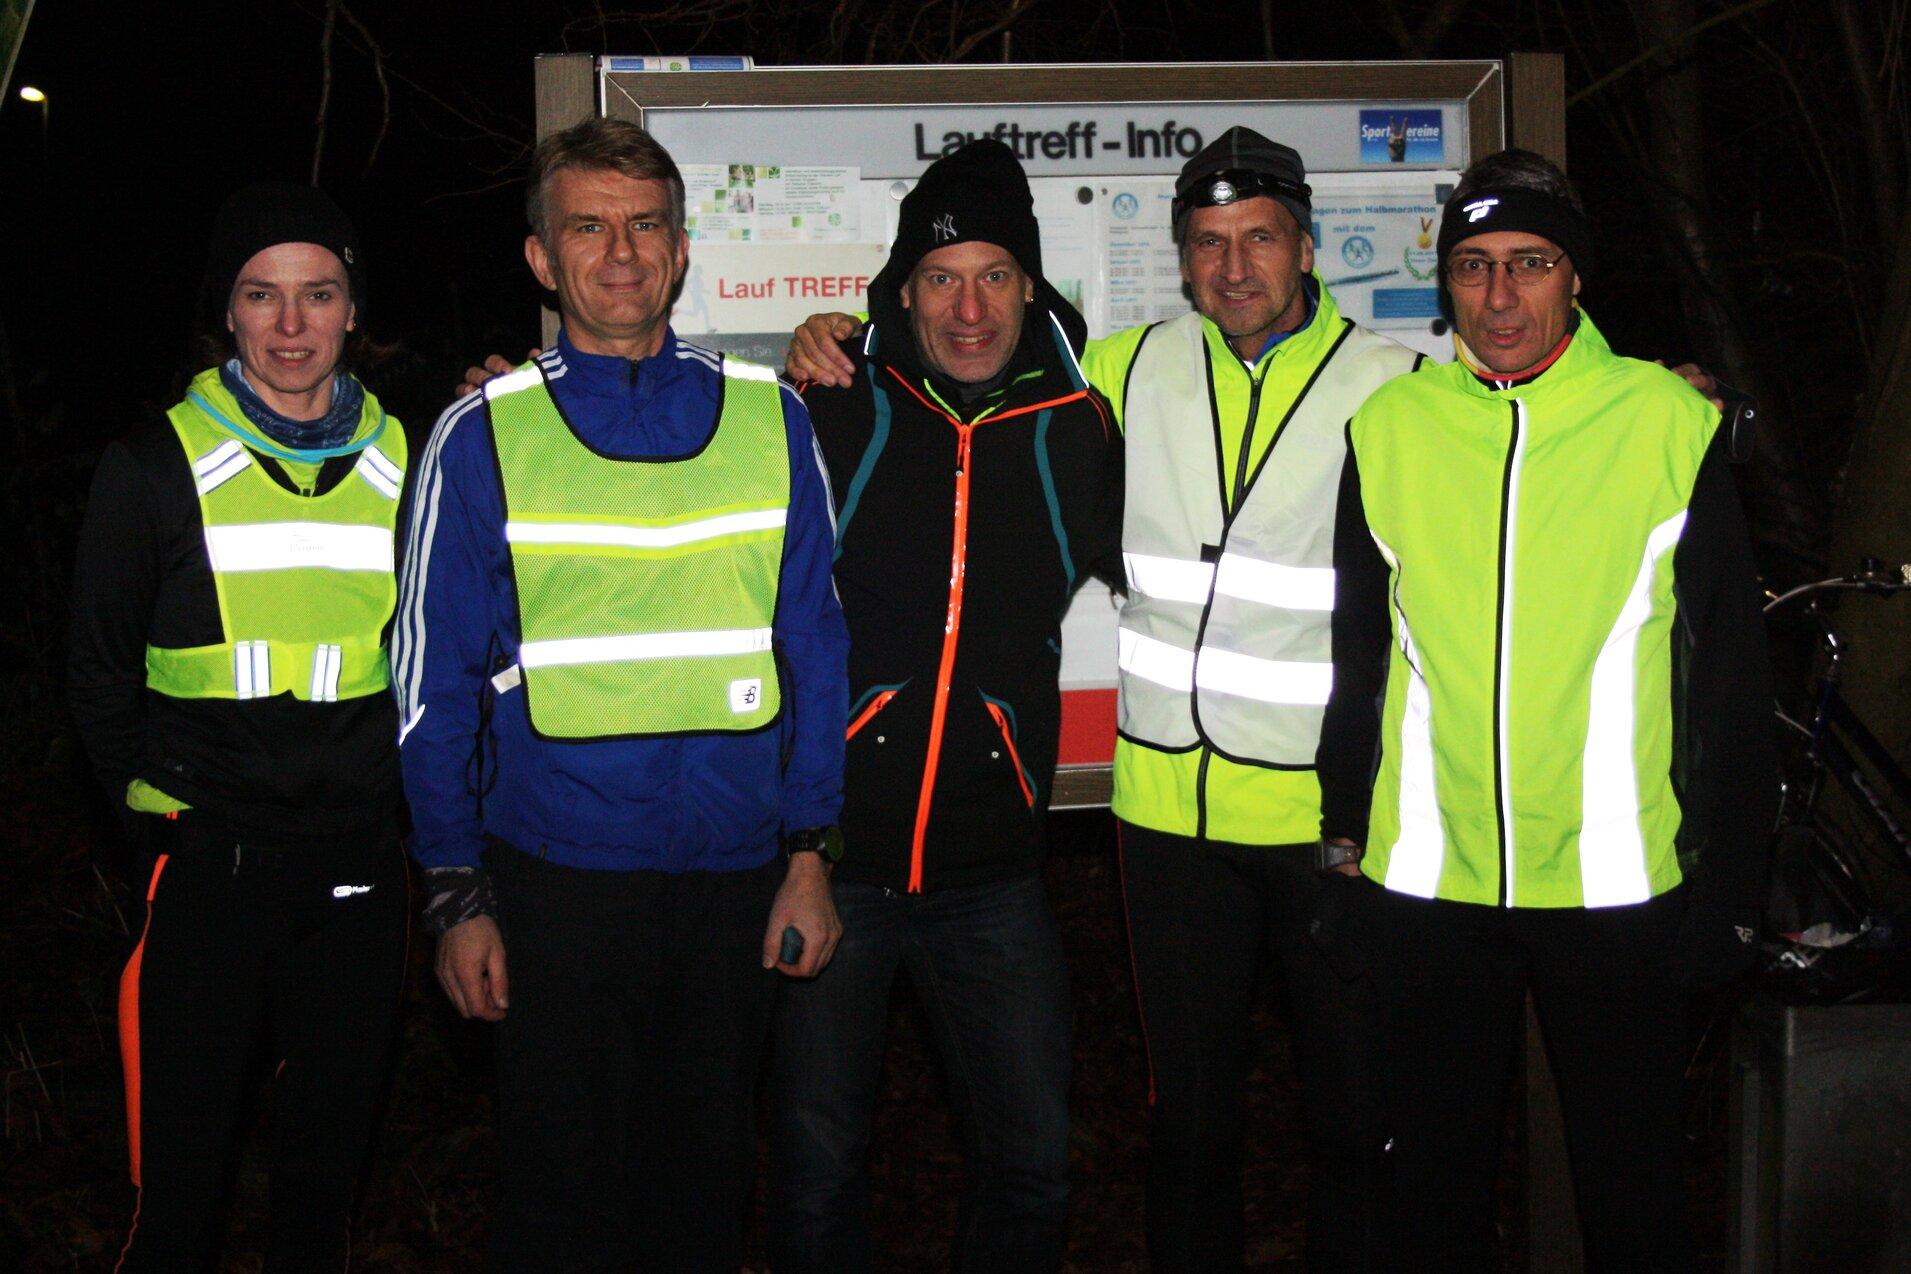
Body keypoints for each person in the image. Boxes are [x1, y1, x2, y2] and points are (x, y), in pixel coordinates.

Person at [789, 126, 1416, 1271]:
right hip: (1113, 828)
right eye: (1210, 244)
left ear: (1307, 246)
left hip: (1312, 829)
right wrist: (827, 333)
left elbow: (1520, 398)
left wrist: (1659, 378)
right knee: (1169, 1126)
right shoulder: (1102, 376)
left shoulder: (1388, 383)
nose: (1234, 267)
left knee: (1336, 1128)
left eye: (1260, 238)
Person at [395, 116, 848, 1272]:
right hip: (554, 880)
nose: (621, 254)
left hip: (733, 876)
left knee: (702, 1196)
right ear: (543, 259)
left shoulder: (771, 417)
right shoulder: (480, 431)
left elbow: (817, 646)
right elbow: (430, 680)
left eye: (646, 226)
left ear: (683, 249)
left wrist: (809, 851)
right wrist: (455, 891)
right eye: (587, 228)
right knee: (560, 1204)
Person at [1316, 148, 1775, 1269]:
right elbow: (1361, 653)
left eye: (1530, 262)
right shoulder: (1389, 430)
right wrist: (1343, 831)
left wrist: (1733, 882)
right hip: (1431, 877)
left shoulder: (1666, 420)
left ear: (1574, 277)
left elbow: (1729, 672)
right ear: (1448, 284)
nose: (1500, 294)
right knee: (1432, 1185)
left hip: (1616, 881)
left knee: (1632, 1185)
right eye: (1474, 266)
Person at [769, 140, 1121, 1273]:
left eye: (995, 276)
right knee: (815, 1167)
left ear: (1031, 286)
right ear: (900, 291)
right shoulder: (831, 408)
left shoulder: (1083, 432)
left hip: (993, 873)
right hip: (834, 865)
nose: (969, 307)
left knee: (1033, 1160)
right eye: (940, 278)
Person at [69, 182, 409, 1269]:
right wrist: (156, 816)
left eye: (320, 294)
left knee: (321, 1194)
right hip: (206, 863)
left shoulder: (420, 457)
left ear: (354, 309)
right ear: (229, 309)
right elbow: (98, 670)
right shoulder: (151, 465)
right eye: (264, 296)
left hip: (359, 868)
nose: (293, 324)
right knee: (175, 1199)